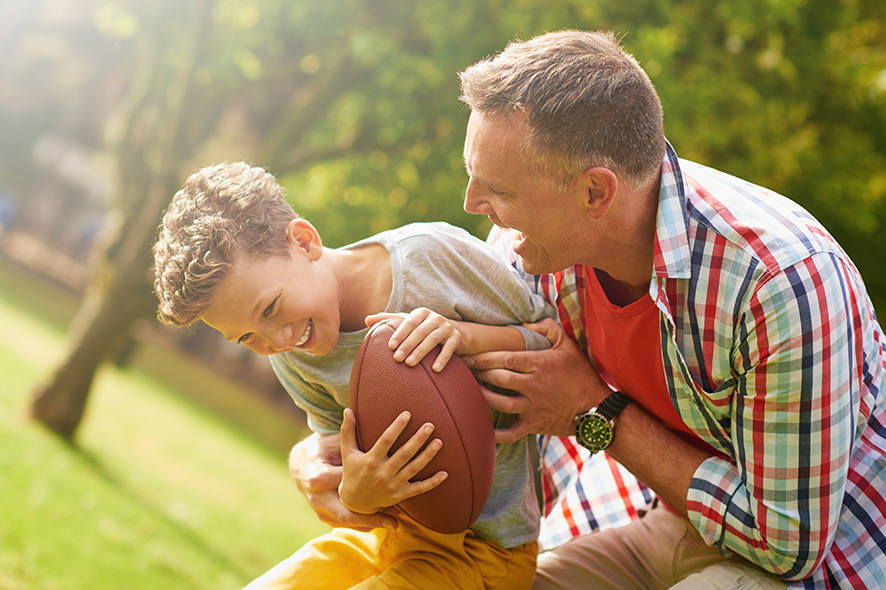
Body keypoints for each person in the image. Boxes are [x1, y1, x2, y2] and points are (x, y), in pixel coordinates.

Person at [456, 30, 885, 589]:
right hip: (660, 517)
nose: (472, 204)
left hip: (821, 557)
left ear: (594, 193)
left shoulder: (778, 282)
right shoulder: (535, 250)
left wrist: (593, 411)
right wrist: (347, 459)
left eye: (498, 190)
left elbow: (786, 542)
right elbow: (483, 401)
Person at [151, 161, 559, 589]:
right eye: (248, 337)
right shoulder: (292, 358)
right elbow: (344, 463)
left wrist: (465, 337)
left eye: (270, 308)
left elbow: (550, 345)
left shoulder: (432, 260)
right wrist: (355, 496)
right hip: (386, 538)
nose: (279, 339)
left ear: (304, 242)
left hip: (486, 551)